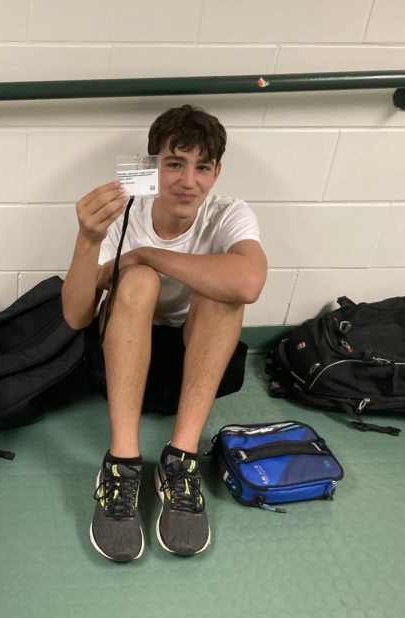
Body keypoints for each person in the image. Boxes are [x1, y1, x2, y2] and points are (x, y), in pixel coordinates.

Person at [61, 105, 267, 562]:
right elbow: (76, 316)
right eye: (175, 164)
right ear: (152, 167)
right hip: (120, 361)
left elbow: (249, 282)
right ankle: (121, 462)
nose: (188, 181)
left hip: (194, 366)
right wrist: (87, 239)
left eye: (203, 167)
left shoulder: (228, 213)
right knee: (137, 282)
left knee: (224, 290)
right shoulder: (124, 213)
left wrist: (148, 255)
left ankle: (182, 458)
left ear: (216, 173)